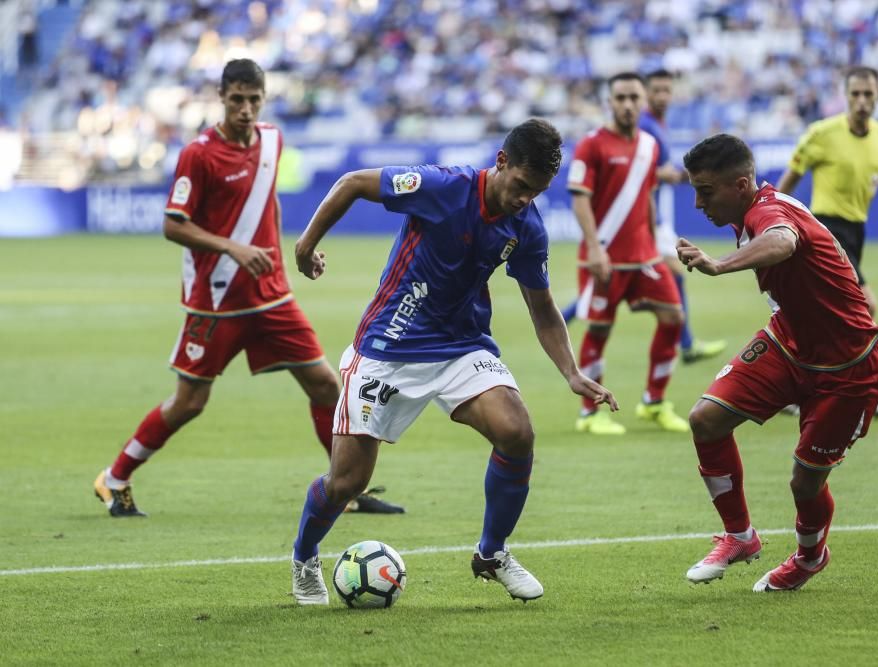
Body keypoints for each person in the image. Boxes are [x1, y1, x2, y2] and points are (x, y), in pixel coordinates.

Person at [288, 118, 618, 605]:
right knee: (347, 481)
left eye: (538, 191)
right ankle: (304, 558)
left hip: (461, 346)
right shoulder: (443, 187)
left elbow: (542, 307)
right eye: (522, 186)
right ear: (501, 163)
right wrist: (305, 245)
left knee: (517, 431)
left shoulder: (526, 226)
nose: (525, 198)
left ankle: (492, 552)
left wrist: (571, 372)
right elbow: (353, 182)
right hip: (388, 346)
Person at [93, 59, 341, 517]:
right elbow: (173, 224)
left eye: (254, 100)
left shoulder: (272, 140)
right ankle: (114, 478)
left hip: (272, 296)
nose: (245, 109)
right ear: (222, 98)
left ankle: (343, 490)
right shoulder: (199, 154)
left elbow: (269, 205)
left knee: (327, 385)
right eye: (237, 100)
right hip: (217, 301)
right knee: (190, 402)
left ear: (264, 99)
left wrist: (288, 260)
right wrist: (233, 248)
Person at [677, 134, 878, 592]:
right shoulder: (752, 207)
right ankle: (739, 537)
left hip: (848, 366)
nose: (697, 203)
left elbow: (782, 242)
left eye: (705, 191)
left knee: (804, 484)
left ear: (741, 184)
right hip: (789, 341)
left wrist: (718, 265)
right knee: (706, 420)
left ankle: (810, 557)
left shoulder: (767, 212)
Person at [776, 65, 878, 417]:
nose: (861, 101)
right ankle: (871, 391)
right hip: (824, 229)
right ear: (845, 96)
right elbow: (789, 180)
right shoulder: (821, 134)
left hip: (855, 232)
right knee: (864, 307)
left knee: (821, 318)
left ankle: (796, 387)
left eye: (868, 94)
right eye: (855, 94)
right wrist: (767, 220)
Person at [568, 72, 687, 436]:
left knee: (673, 319)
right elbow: (580, 199)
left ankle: (654, 402)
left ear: (642, 101)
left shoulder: (650, 146)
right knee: (600, 331)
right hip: (605, 258)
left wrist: (654, 243)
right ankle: (591, 413)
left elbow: (647, 197)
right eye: (620, 98)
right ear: (610, 101)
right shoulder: (591, 145)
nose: (628, 104)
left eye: (634, 97)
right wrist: (594, 248)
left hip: (644, 257)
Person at [639, 69, 726, 365]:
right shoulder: (644, 124)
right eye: (657, 90)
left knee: (674, 274)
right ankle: (685, 343)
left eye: (667, 90)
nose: (663, 96)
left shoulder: (658, 123)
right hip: (641, 215)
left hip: (652, 215)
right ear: (646, 93)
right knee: (672, 273)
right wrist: (674, 174)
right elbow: (640, 168)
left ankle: (686, 342)